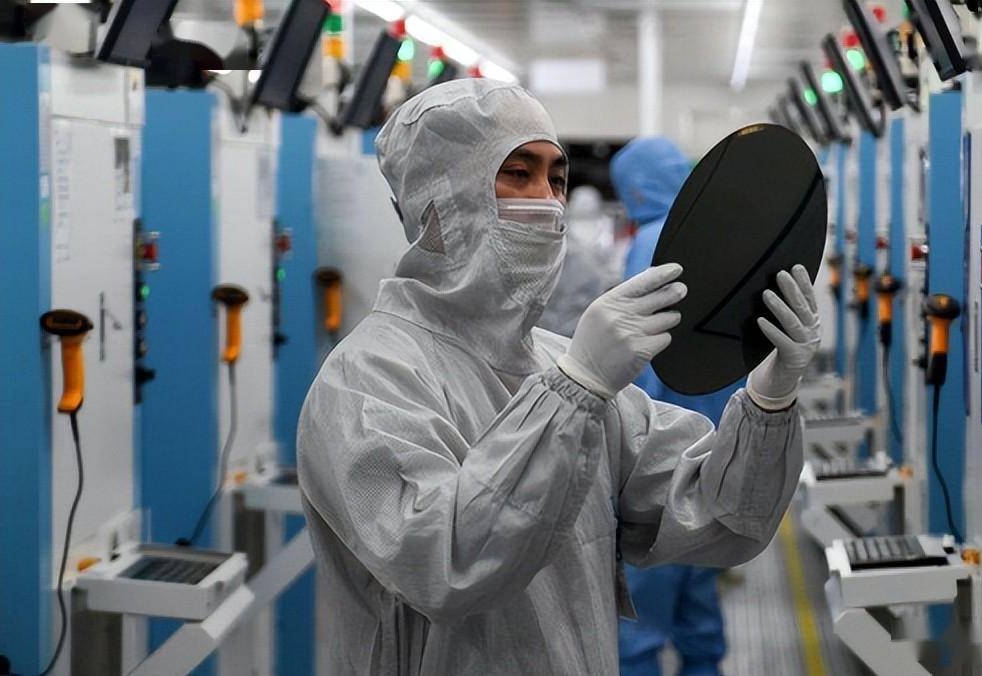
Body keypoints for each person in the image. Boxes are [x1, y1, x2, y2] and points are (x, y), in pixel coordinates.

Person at [297, 78, 821, 675]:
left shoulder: (555, 361)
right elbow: (445, 564)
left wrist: (770, 398)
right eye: (518, 174)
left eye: (557, 178)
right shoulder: (365, 381)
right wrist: (576, 390)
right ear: (435, 200)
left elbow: (719, 515)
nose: (546, 201)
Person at [609, 137, 742, 676]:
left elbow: (640, 359)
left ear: (635, 189)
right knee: (697, 586)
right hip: (717, 437)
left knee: (644, 604)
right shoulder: (713, 236)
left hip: (661, 449)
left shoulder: (649, 246)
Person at [536, 185, 622, 337]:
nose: (585, 206)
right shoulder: (562, 231)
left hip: (586, 309)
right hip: (560, 312)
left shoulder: (603, 231)